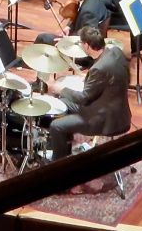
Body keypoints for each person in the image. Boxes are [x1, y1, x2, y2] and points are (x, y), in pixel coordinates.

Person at [46, 25, 131, 159]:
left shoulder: (99, 68)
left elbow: (84, 98)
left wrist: (60, 88)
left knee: (56, 126)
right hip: (119, 112)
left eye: (81, 42)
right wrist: (89, 78)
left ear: (86, 45)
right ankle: (69, 144)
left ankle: (59, 164)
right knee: (62, 103)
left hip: (104, 120)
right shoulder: (115, 51)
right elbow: (115, 77)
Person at [34, 0, 109, 46]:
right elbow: (78, 17)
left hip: (83, 44)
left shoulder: (89, 11)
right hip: (78, 32)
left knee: (42, 38)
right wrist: (69, 27)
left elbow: (88, 36)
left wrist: (67, 41)